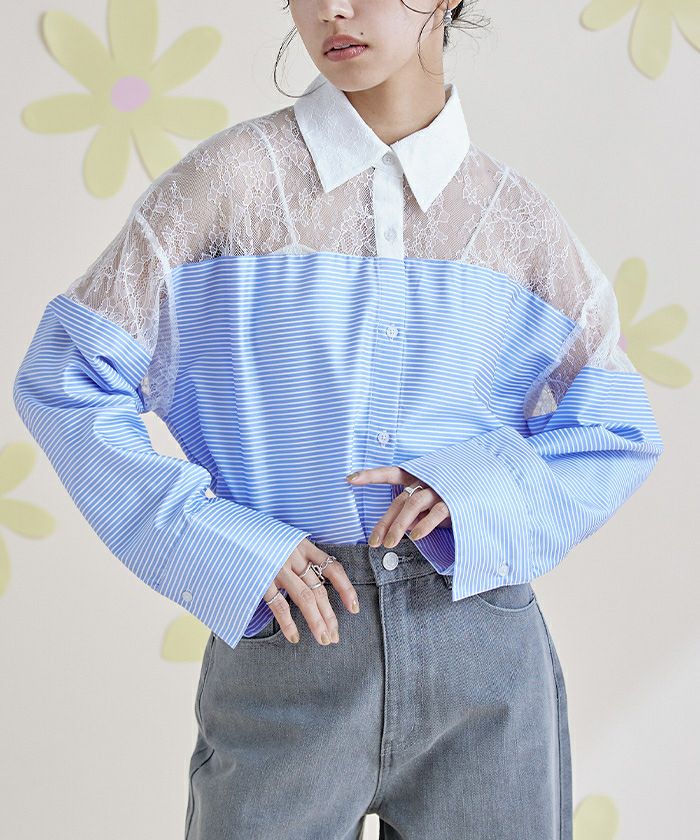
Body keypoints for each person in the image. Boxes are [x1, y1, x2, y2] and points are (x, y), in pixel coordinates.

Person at [12, 1, 664, 838]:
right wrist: (222, 544)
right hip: (288, 638)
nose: (334, 10)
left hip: (482, 659)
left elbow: (616, 430)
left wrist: (474, 491)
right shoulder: (228, 187)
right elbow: (65, 378)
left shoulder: (516, 220)